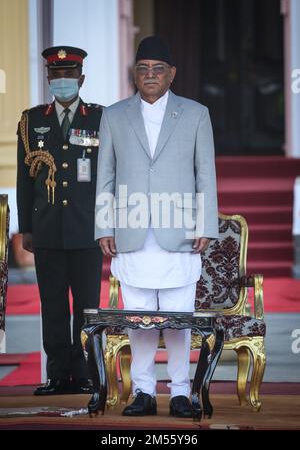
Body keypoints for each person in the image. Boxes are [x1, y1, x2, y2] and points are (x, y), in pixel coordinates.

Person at [95, 36, 218, 417]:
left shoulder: (196, 114)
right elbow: (106, 177)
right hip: (131, 234)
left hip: (179, 233)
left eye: (158, 69)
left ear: (172, 74)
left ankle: (181, 393)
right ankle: (143, 392)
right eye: (143, 69)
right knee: (139, 319)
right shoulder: (114, 115)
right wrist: (104, 227)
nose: (150, 75)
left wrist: (206, 225)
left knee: (180, 319)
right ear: (135, 74)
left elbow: (205, 177)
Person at [16, 46, 103, 395]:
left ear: (81, 79)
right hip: (48, 229)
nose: (62, 81)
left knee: (86, 307)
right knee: (52, 305)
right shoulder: (31, 120)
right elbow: (25, 180)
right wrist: (26, 228)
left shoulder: (98, 118)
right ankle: (56, 375)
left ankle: (83, 374)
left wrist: (107, 224)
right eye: (56, 75)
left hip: (87, 230)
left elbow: (107, 175)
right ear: (48, 79)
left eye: (69, 75)